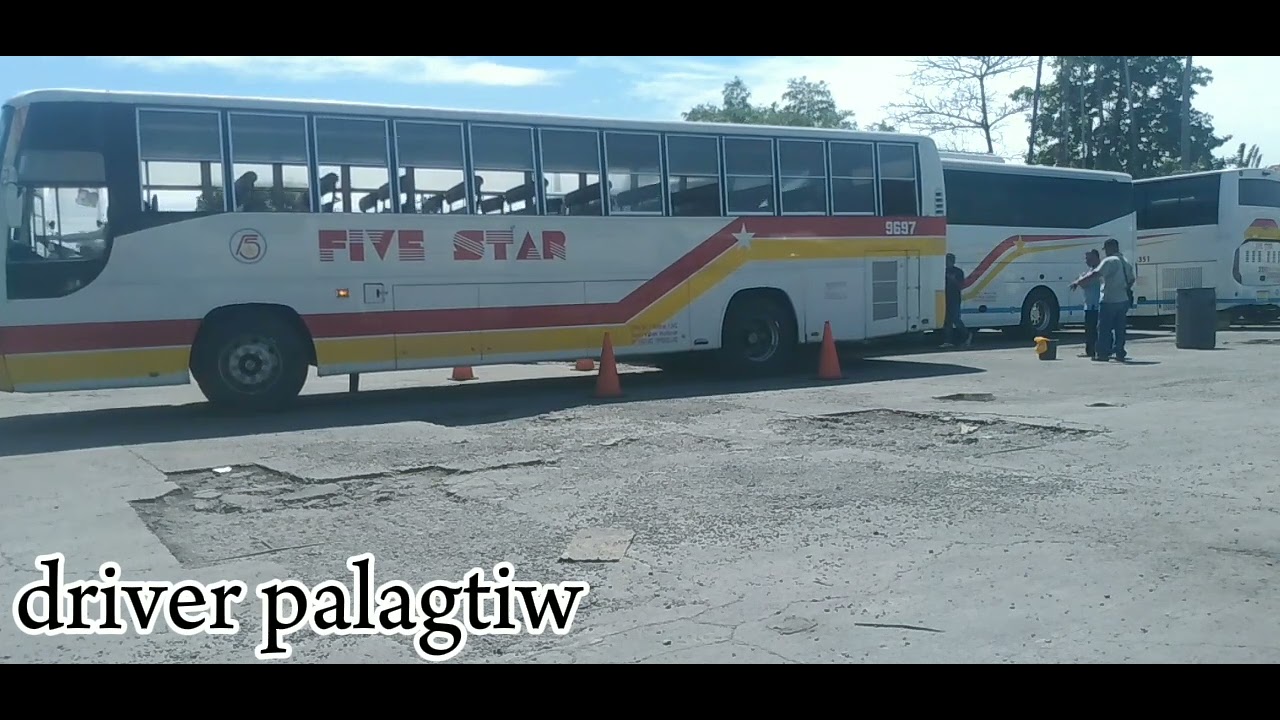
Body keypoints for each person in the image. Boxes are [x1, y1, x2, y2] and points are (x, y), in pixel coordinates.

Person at [1070, 238, 1135, 362]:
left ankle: (1103, 353)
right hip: (1123, 299)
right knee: (1120, 328)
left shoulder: (1109, 261)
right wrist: (1122, 288)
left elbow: (1095, 274)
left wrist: (1078, 282)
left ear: (1110, 248)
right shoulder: (1125, 261)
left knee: (1104, 328)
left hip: (1109, 299)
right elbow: (1132, 279)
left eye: (1106, 249)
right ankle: (1119, 352)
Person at [1073, 249, 1102, 358]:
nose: (1087, 261)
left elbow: (1084, 282)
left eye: (1089, 258)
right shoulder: (1091, 270)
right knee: (1089, 330)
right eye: (1086, 259)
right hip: (1089, 305)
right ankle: (1090, 350)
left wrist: (1079, 281)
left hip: (1096, 306)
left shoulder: (1098, 271)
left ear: (1096, 257)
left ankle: (1095, 350)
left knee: (1094, 330)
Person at [941, 253, 971, 348]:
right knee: (947, 320)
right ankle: (948, 341)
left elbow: (961, 286)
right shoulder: (943, 271)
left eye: (949, 261)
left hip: (955, 298)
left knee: (955, 319)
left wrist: (953, 280)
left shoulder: (958, 272)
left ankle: (966, 335)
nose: (947, 263)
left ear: (953, 261)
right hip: (945, 297)